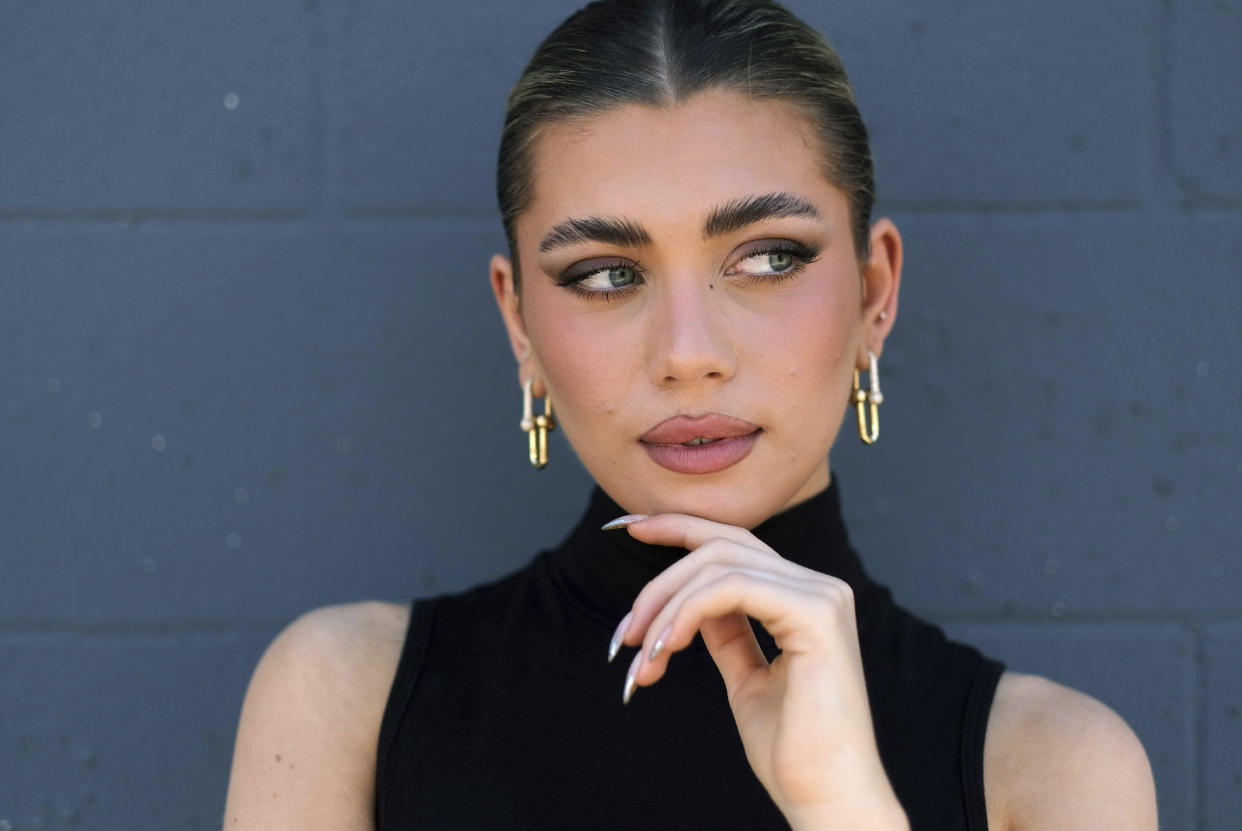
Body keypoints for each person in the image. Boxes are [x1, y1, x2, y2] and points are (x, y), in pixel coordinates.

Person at [222, 1, 1158, 828]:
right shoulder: (348, 696)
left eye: (766, 258)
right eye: (605, 275)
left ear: (875, 291)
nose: (687, 353)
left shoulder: (1052, 765)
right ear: (519, 322)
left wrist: (844, 809)